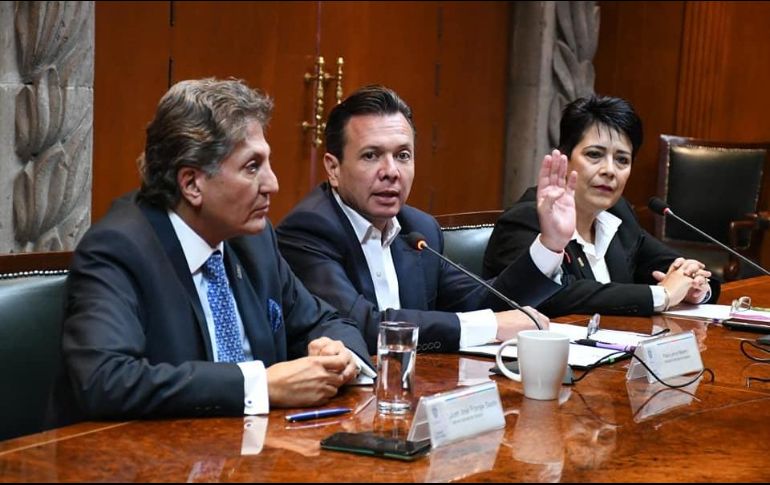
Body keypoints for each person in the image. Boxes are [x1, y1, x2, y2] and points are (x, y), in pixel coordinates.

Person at [63, 78, 373, 420]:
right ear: (192, 184)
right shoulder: (118, 249)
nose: (272, 184)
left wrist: (339, 354)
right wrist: (258, 386)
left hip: (256, 444)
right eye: (252, 167)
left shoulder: (253, 240)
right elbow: (106, 380)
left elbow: (325, 320)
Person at [276, 85, 577, 354]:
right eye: (371, 156)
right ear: (333, 169)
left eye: (403, 155)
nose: (391, 171)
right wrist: (492, 326)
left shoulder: (418, 229)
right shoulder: (308, 230)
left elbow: (482, 301)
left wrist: (550, 243)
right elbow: (360, 327)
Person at [483, 95, 720, 317]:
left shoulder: (617, 214)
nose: (609, 170)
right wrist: (662, 295)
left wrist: (693, 283)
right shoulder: (526, 219)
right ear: (564, 158)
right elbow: (553, 295)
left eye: (622, 160)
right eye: (594, 155)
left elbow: (668, 265)